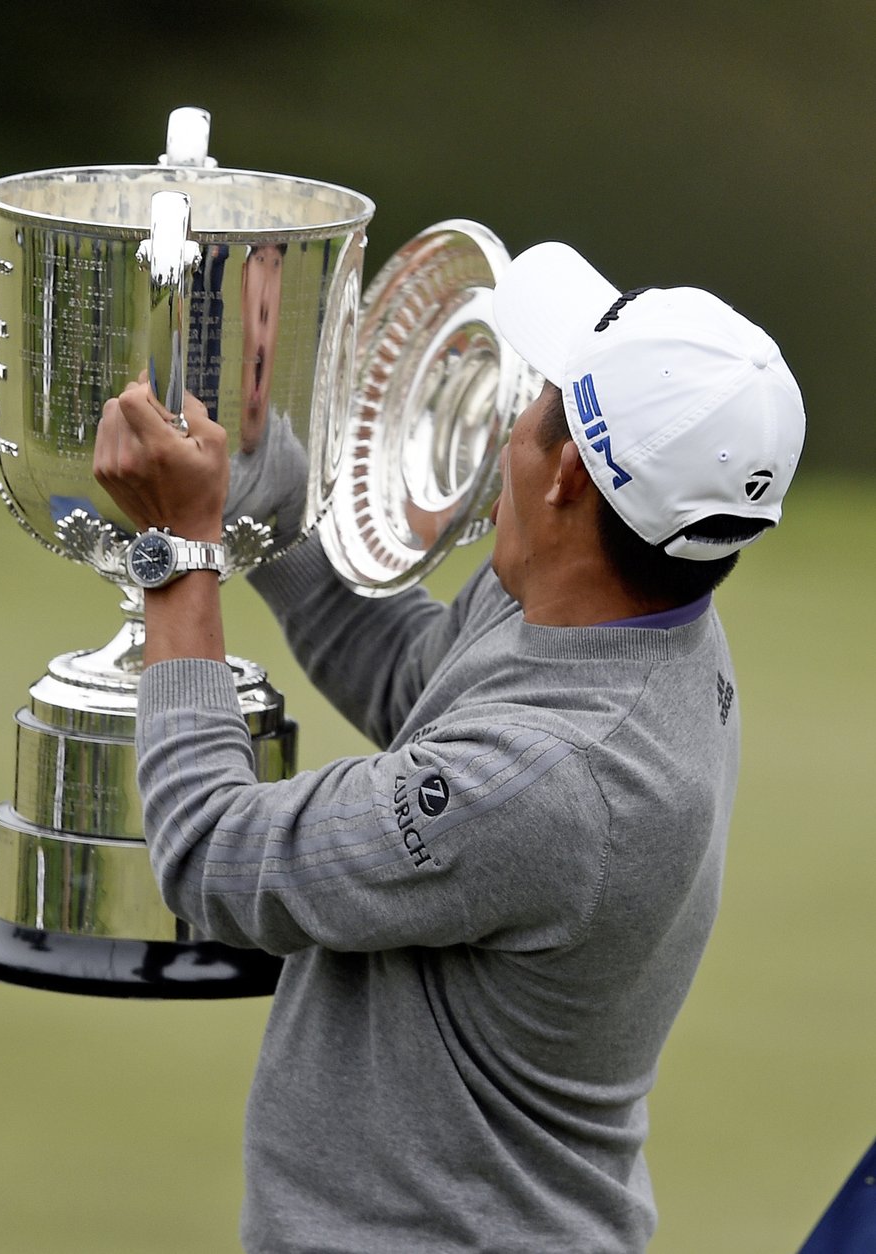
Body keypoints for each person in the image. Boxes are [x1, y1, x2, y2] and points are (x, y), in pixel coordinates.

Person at [93, 241, 806, 1253]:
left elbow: (216, 855)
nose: (513, 423)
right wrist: (259, 479)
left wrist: (182, 557)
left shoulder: (557, 779)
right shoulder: (628, 609)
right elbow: (415, 681)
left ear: (563, 473)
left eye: (540, 398)